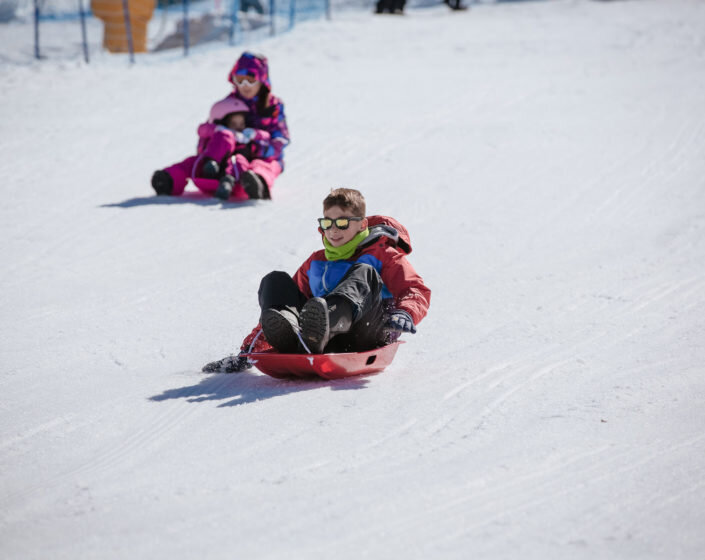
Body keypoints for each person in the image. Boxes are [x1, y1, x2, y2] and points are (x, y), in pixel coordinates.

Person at [203, 188, 431, 373]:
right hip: (319, 339)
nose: (333, 230)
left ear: (362, 224)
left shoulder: (384, 254)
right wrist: (247, 353)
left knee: (365, 271)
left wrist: (406, 313)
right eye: (327, 223)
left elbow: (415, 289)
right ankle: (299, 334)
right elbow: (292, 300)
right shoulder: (316, 261)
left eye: (342, 223)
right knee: (276, 281)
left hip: (367, 334)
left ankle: (327, 322)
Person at [151, 52, 289, 201]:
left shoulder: (273, 106)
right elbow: (211, 128)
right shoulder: (228, 103)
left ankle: (257, 183)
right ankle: (169, 180)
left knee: (266, 165)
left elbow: (280, 139)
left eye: (250, 81)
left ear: (262, 80)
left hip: (261, 155)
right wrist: (210, 151)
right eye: (240, 80)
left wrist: (257, 148)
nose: (245, 86)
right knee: (194, 162)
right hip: (226, 157)